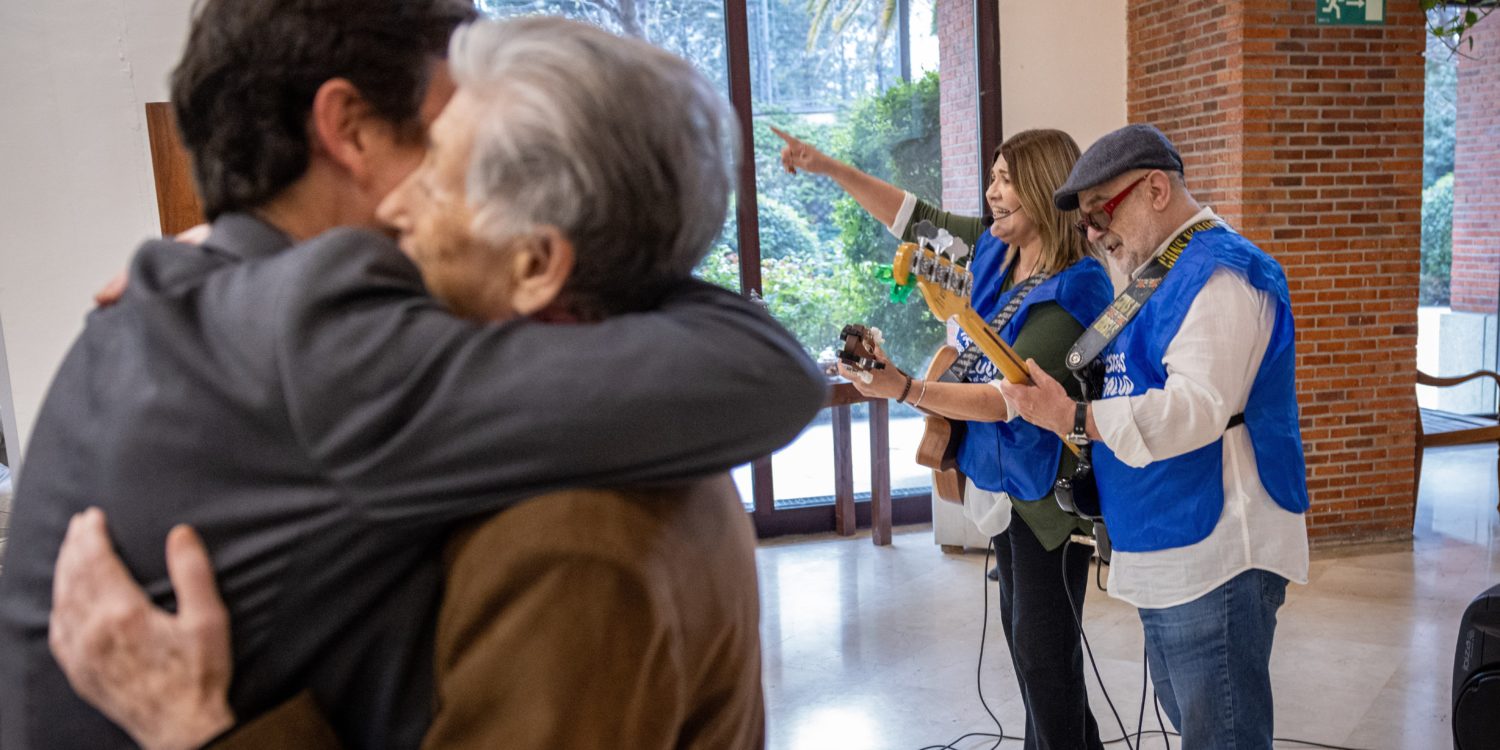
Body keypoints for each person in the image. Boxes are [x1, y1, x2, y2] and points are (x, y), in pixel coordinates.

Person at [0, 3, 827, 748]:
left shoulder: (183, 322)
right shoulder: (320, 334)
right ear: (349, 130)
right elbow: (768, 371)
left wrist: (201, 734)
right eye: (431, 144)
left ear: (537, 256)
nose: (402, 211)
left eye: (444, 169)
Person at [776, 127, 1113, 750]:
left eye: (1006, 180)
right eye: (992, 178)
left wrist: (905, 390)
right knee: (1028, 646)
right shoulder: (993, 250)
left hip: (1047, 496)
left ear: (1041, 190)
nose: (992, 193)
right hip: (999, 483)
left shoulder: (1079, 283)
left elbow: (1006, 399)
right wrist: (830, 167)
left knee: (1045, 655)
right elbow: (913, 219)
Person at [1002, 123, 1311, 750]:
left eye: (1101, 213)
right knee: (1192, 715)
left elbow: (1195, 408)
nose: (1093, 234)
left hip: (1217, 545)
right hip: (1165, 532)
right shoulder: (1153, 275)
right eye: (1085, 222)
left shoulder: (1222, 274)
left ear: (1157, 189)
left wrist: (1073, 419)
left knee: (1220, 729)